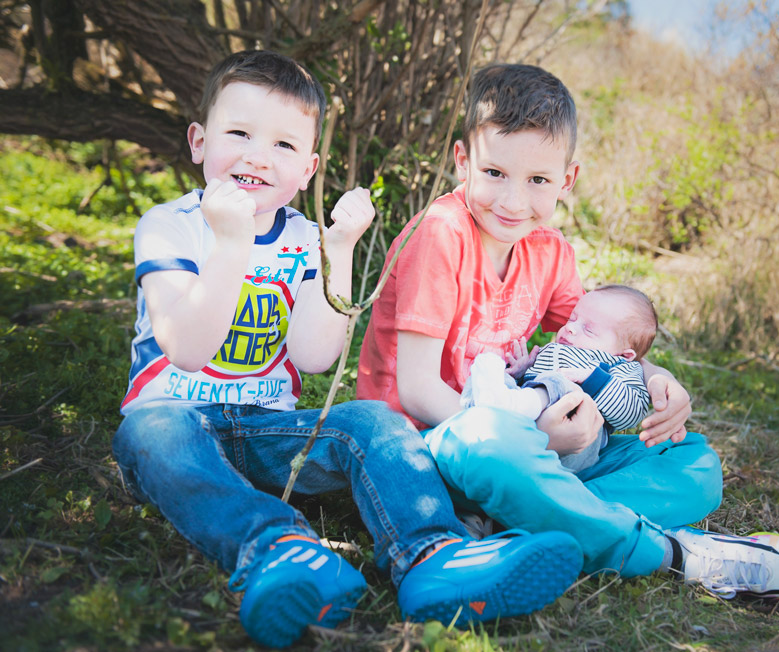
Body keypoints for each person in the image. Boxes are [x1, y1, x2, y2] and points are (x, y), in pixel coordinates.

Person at [112, 51, 585, 649]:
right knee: (151, 434)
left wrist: (335, 251)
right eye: (239, 134)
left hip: (268, 432)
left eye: (284, 146)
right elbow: (185, 349)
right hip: (173, 423)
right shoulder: (169, 225)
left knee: (374, 420)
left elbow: (315, 357)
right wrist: (231, 245)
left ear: (308, 170)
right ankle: (279, 550)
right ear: (199, 141)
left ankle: (433, 555)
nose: (259, 155)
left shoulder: (300, 237)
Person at [357, 62, 779, 600]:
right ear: (464, 160)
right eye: (494, 174)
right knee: (493, 446)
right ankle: (675, 554)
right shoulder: (440, 235)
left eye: (537, 181)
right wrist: (537, 439)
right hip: (436, 444)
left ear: (566, 180)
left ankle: (517, 523)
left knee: (696, 464)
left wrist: (654, 375)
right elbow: (416, 390)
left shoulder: (548, 252)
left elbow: (593, 339)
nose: (512, 202)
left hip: (533, 450)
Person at [461, 284, 658, 472]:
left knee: (565, 385)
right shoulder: (559, 349)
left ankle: (509, 407)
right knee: (493, 376)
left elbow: (632, 412)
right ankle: (481, 411)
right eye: (572, 319)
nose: (570, 328)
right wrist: (522, 370)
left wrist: (591, 379)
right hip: (530, 417)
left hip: (573, 440)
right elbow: (536, 381)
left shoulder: (621, 367)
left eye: (588, 330)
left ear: (624, 355)